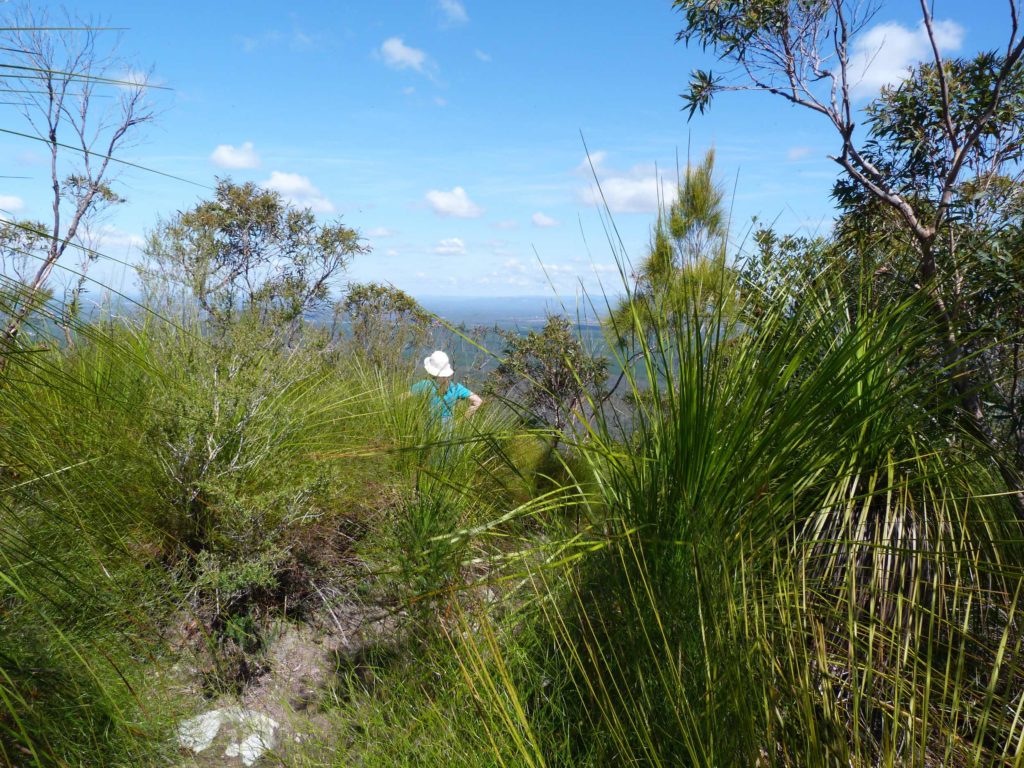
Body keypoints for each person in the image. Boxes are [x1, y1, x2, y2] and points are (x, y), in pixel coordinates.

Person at [411, 350, 482, 424]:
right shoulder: (456, 387)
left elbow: (401, 398)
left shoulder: (425, 384)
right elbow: (478, 401)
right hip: (449, 429)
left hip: (428, 428)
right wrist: (459, 422)